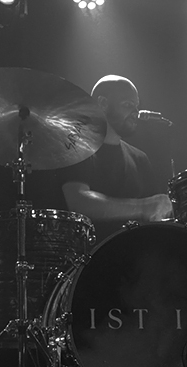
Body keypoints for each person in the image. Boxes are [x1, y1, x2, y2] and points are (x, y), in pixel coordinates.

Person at [60, 75, 173, 243]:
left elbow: (155, 216)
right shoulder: (78, 148)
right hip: (94, 253)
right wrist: (143, 207)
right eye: (127, 105)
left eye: (136, 106)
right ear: (103, 103)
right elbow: (78, 201)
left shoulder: (140, 158)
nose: (135, 113)